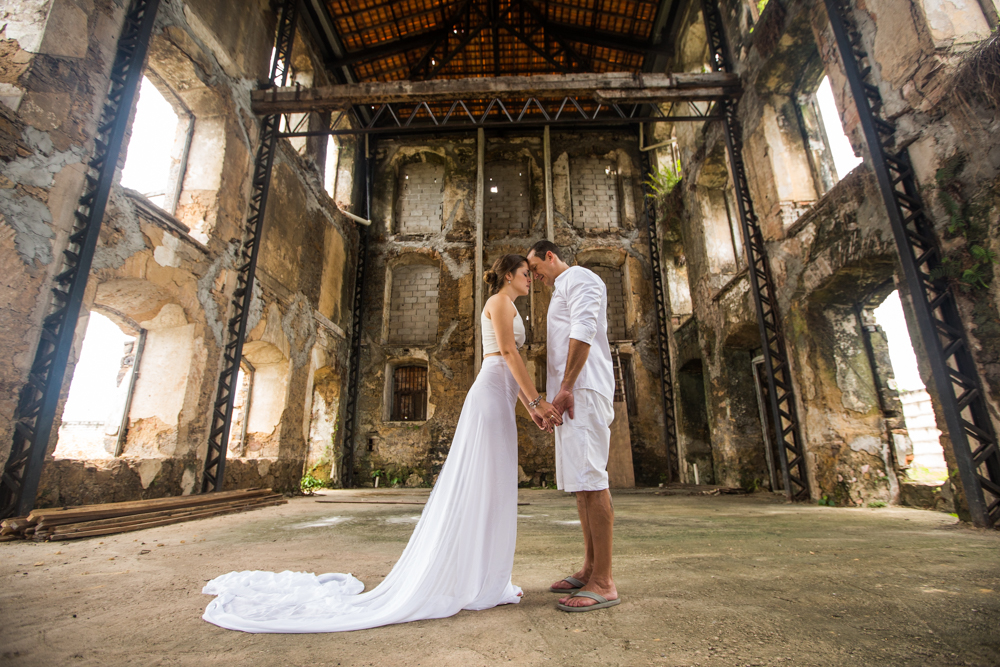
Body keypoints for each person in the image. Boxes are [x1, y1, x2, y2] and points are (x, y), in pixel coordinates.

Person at [201, 254, 562, 633]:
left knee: (496, 487)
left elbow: (511, 362)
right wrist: (537, 401)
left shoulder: (509, 304)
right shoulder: (500, 302)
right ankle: (477, 582)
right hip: (490, 396)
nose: (531, 279)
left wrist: (531, 407)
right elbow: (506, 355)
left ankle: (488, 580)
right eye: (525, 273)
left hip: (502, 395)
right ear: (509, 275)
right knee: (484, 486)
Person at [526, 240, 620, 612]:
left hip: (582, 389)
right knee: (581, 486)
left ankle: (605, 581)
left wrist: (565, 388)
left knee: (593, 481)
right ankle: (590, 568)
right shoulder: (561, 290)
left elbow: (584, 328)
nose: (535, 277)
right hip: (569, 392)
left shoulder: (580, 277)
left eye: (535, 268)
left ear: (550, 256)